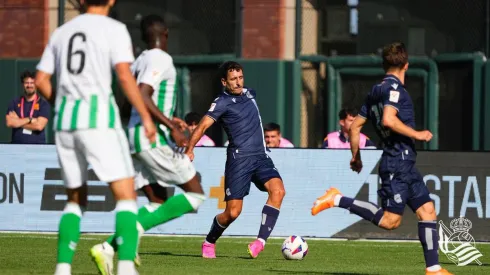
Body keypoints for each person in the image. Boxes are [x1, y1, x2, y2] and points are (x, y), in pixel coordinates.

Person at [34, 0, 157, 274]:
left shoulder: (61, 31)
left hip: (65, 122)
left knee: (75, 199)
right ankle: (125, 267)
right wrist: (145, 117)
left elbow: (41, 80)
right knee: (126, 196)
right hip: (98, 118)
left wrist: (63, 104)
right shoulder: (113, 29)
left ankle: (62, 269)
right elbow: (125, 77)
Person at [310, 42, 452, 275]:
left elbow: (355, 127)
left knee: (427, 210)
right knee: (389, 221)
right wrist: (417, 134)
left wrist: (356, 157)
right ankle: (337, 199)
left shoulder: (375, 91)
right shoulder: (395, 90)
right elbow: (388, 119)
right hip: (397, 161)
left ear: (384, 64)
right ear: (406, 65)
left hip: (404, 163)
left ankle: (434, 269)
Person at [89, 14, 206, 275]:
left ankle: (107, 247)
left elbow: (127, 102)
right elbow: (143, 94)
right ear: (165, 33)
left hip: (132, 138)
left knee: (158, 200)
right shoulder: (160, 58)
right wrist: (171, 125)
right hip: (150, 138)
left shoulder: (139, 61)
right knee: (195, 194)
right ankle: (118, 241)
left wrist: (164, 119)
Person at [185, 61, 286, 259]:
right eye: (233, 79)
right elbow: (203, 126)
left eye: (240, 77)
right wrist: (190, 149)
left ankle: (260, 242)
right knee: (232, 212)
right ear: (224, 82)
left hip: (261, 157)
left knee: (279, 191)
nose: (239, 83)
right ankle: (209, 241)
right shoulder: (221, 102)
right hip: (239, 160)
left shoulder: (250, 93)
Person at [6, 70, 50, 144]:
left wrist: (18, 121)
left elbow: (39, 126)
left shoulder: (43, 104)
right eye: (26, 83)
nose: (29, 85)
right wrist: (30, 119)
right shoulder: (14, 102)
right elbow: (10, 122)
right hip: (16, 147)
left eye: (32, 83)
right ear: (23, 84)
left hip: (37, 147)